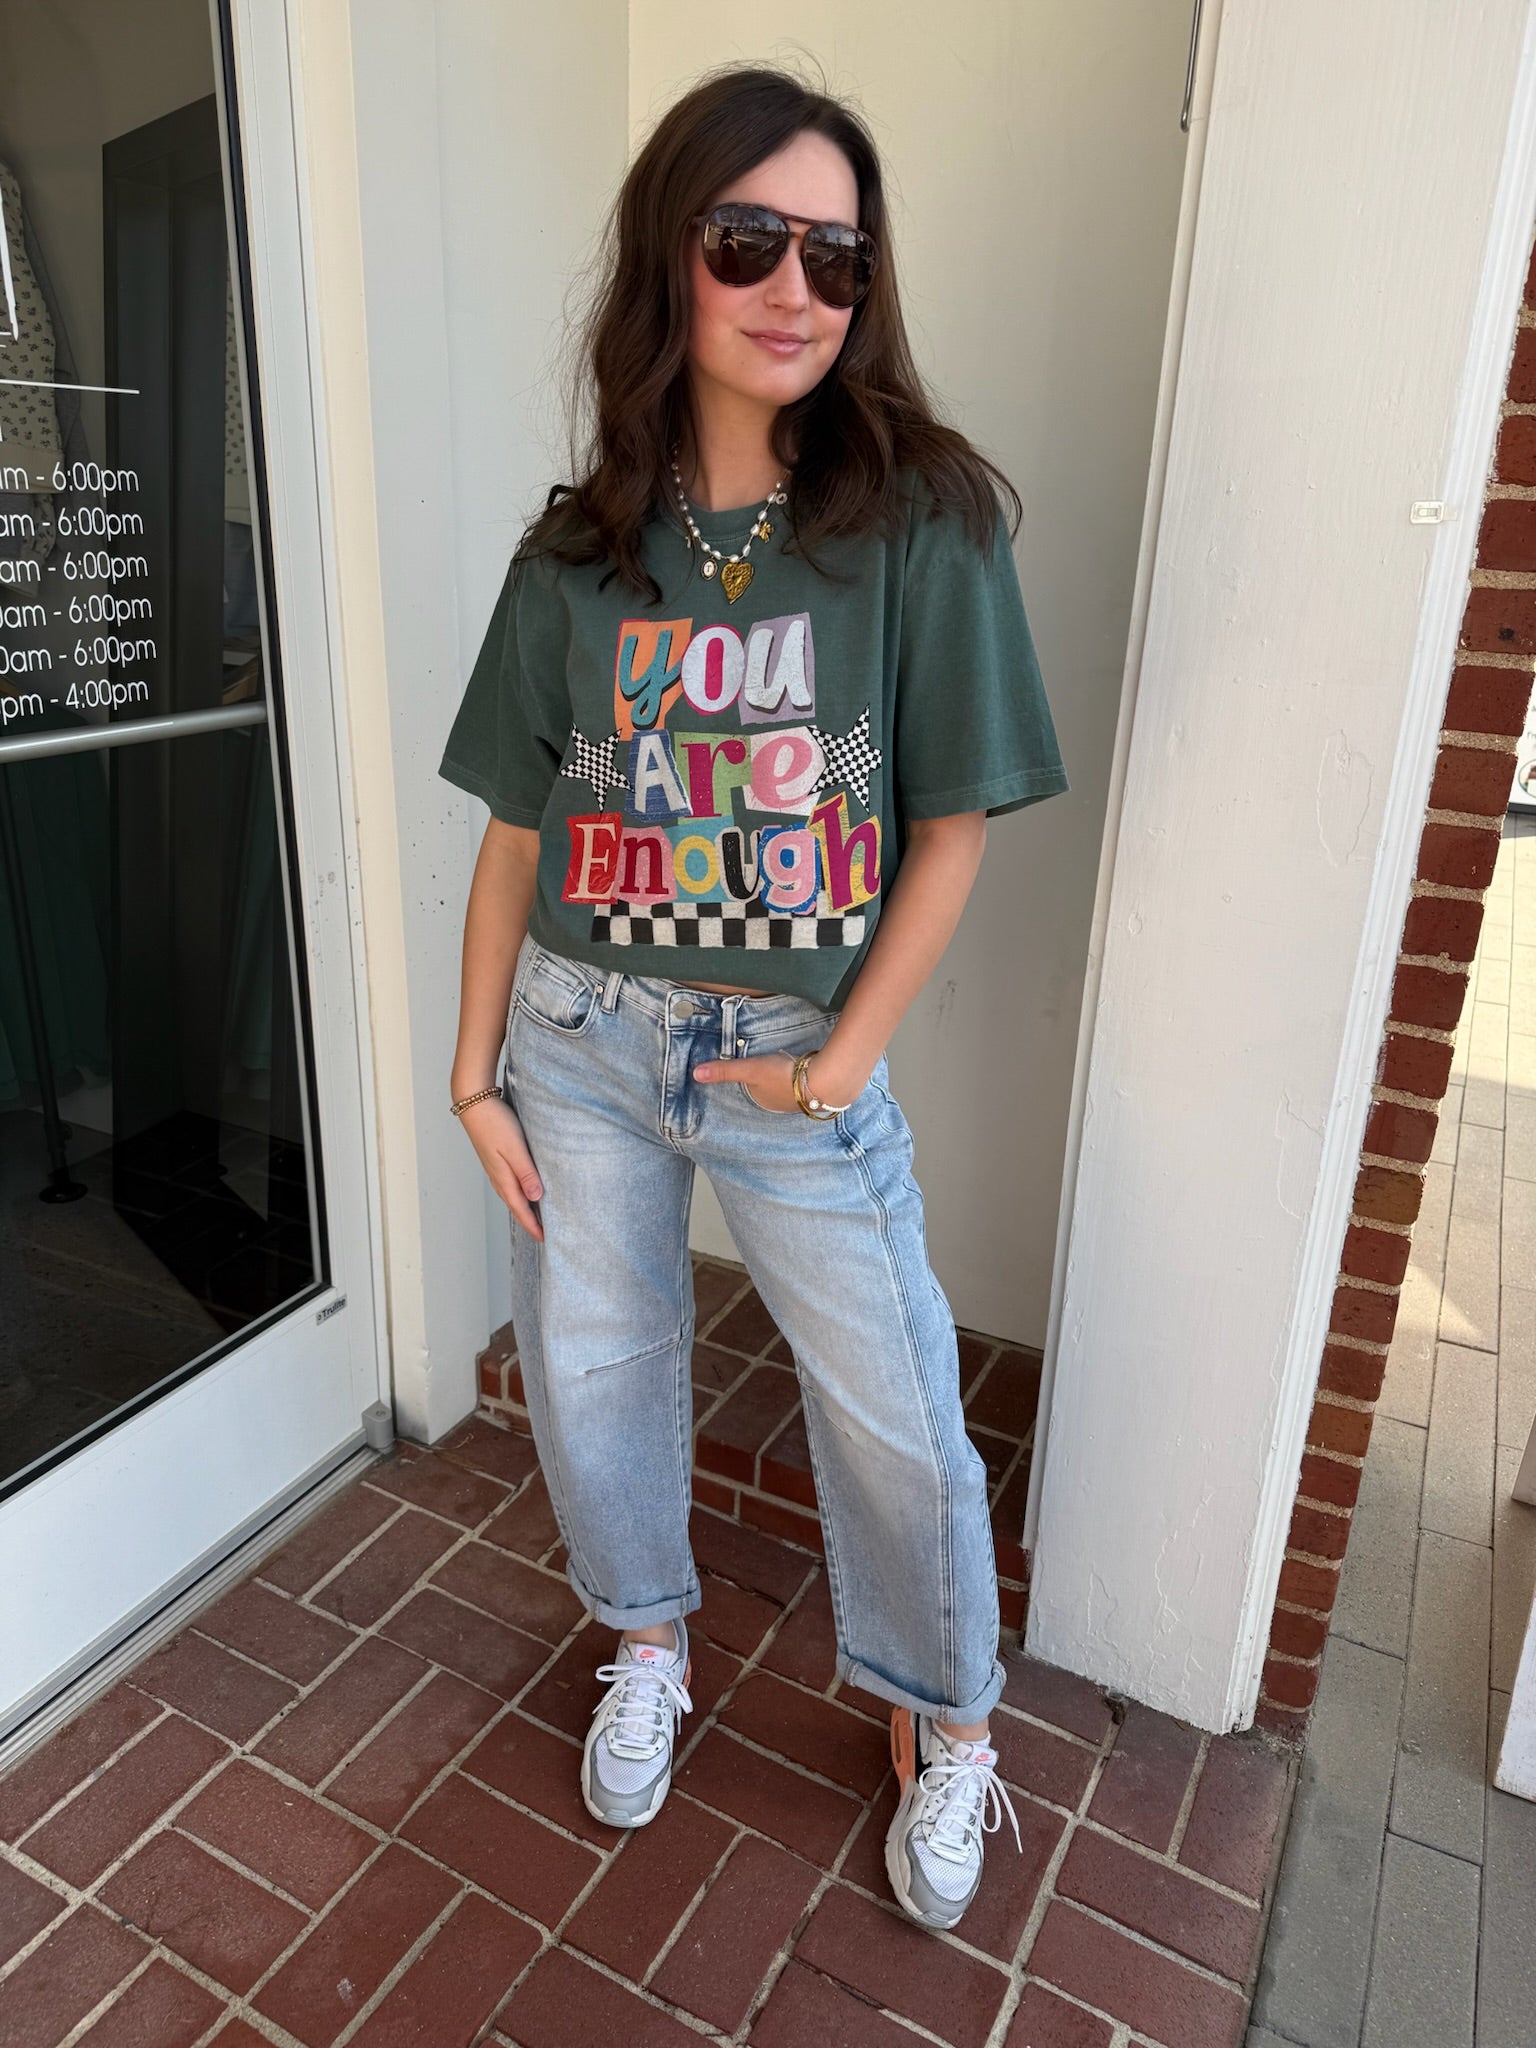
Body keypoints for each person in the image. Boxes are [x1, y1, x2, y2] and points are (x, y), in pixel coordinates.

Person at [438, 60, 1068, 1934]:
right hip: (579, 1042)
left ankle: (948, 1719)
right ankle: (646, 1636)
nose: (798, 287)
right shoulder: (576, 554)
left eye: (836, 257)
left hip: (794, 1057)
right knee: (599, 1367)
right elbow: (517, 833)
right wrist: (472, 1076)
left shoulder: (919, 523)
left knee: (896, 1407)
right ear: (671, 257)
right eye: (748, 241)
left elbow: (948, 827)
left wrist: (845, 1061)